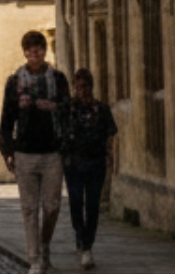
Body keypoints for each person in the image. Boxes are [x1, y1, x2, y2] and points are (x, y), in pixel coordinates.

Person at [0, 31, 72, 274]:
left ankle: (44, 243)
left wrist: (53, 106)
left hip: (52, 151)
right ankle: (34, 260)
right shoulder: (14, 81)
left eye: (38, 50)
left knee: (52, 206)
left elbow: (68, 109)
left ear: (44, 51)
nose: (35, 55)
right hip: (25, 152)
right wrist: (7, 150)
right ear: (25, 53)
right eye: (30, 51)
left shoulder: (58, 79)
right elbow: (7, 119)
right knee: (29, 208)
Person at [58, 67, 118, 270]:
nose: (81, 90)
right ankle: (80, 238)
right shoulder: (68, 108)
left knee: (92, 205)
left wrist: (113, 160)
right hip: (73, 163)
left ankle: (87, 245)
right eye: (78, 86)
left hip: (95, 163)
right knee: (76, 202)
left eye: (84, 86)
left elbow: (111, 135)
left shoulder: (102, 109)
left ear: (91, 87)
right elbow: (59, 130)